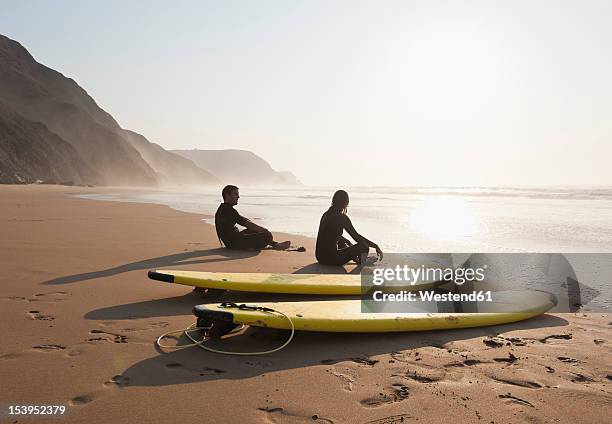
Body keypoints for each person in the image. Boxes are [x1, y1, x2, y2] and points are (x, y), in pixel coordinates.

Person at [315, 189, 383, 266]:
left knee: (342, 241)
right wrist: (375, 245)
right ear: (346, 203)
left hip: (320, 257)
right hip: (331, 259)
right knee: (364, 246)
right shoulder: (342, 218)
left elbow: (328, 235)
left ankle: (357, 259)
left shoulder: (326, 214)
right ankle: (363, 261)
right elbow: (357, 237)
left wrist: (345, 241)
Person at [215, 185, 291, 250]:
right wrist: (265, 231)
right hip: (234, 243)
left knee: (253, 230)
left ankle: (275, 244)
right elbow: (245, 223)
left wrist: (257, 229)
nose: (238, 197)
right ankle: (274, 244)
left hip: (231, 241)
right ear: (227, 195)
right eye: (235, 194)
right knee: (267, 235)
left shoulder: (223, 208)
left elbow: (242, 219)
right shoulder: (228, 211)